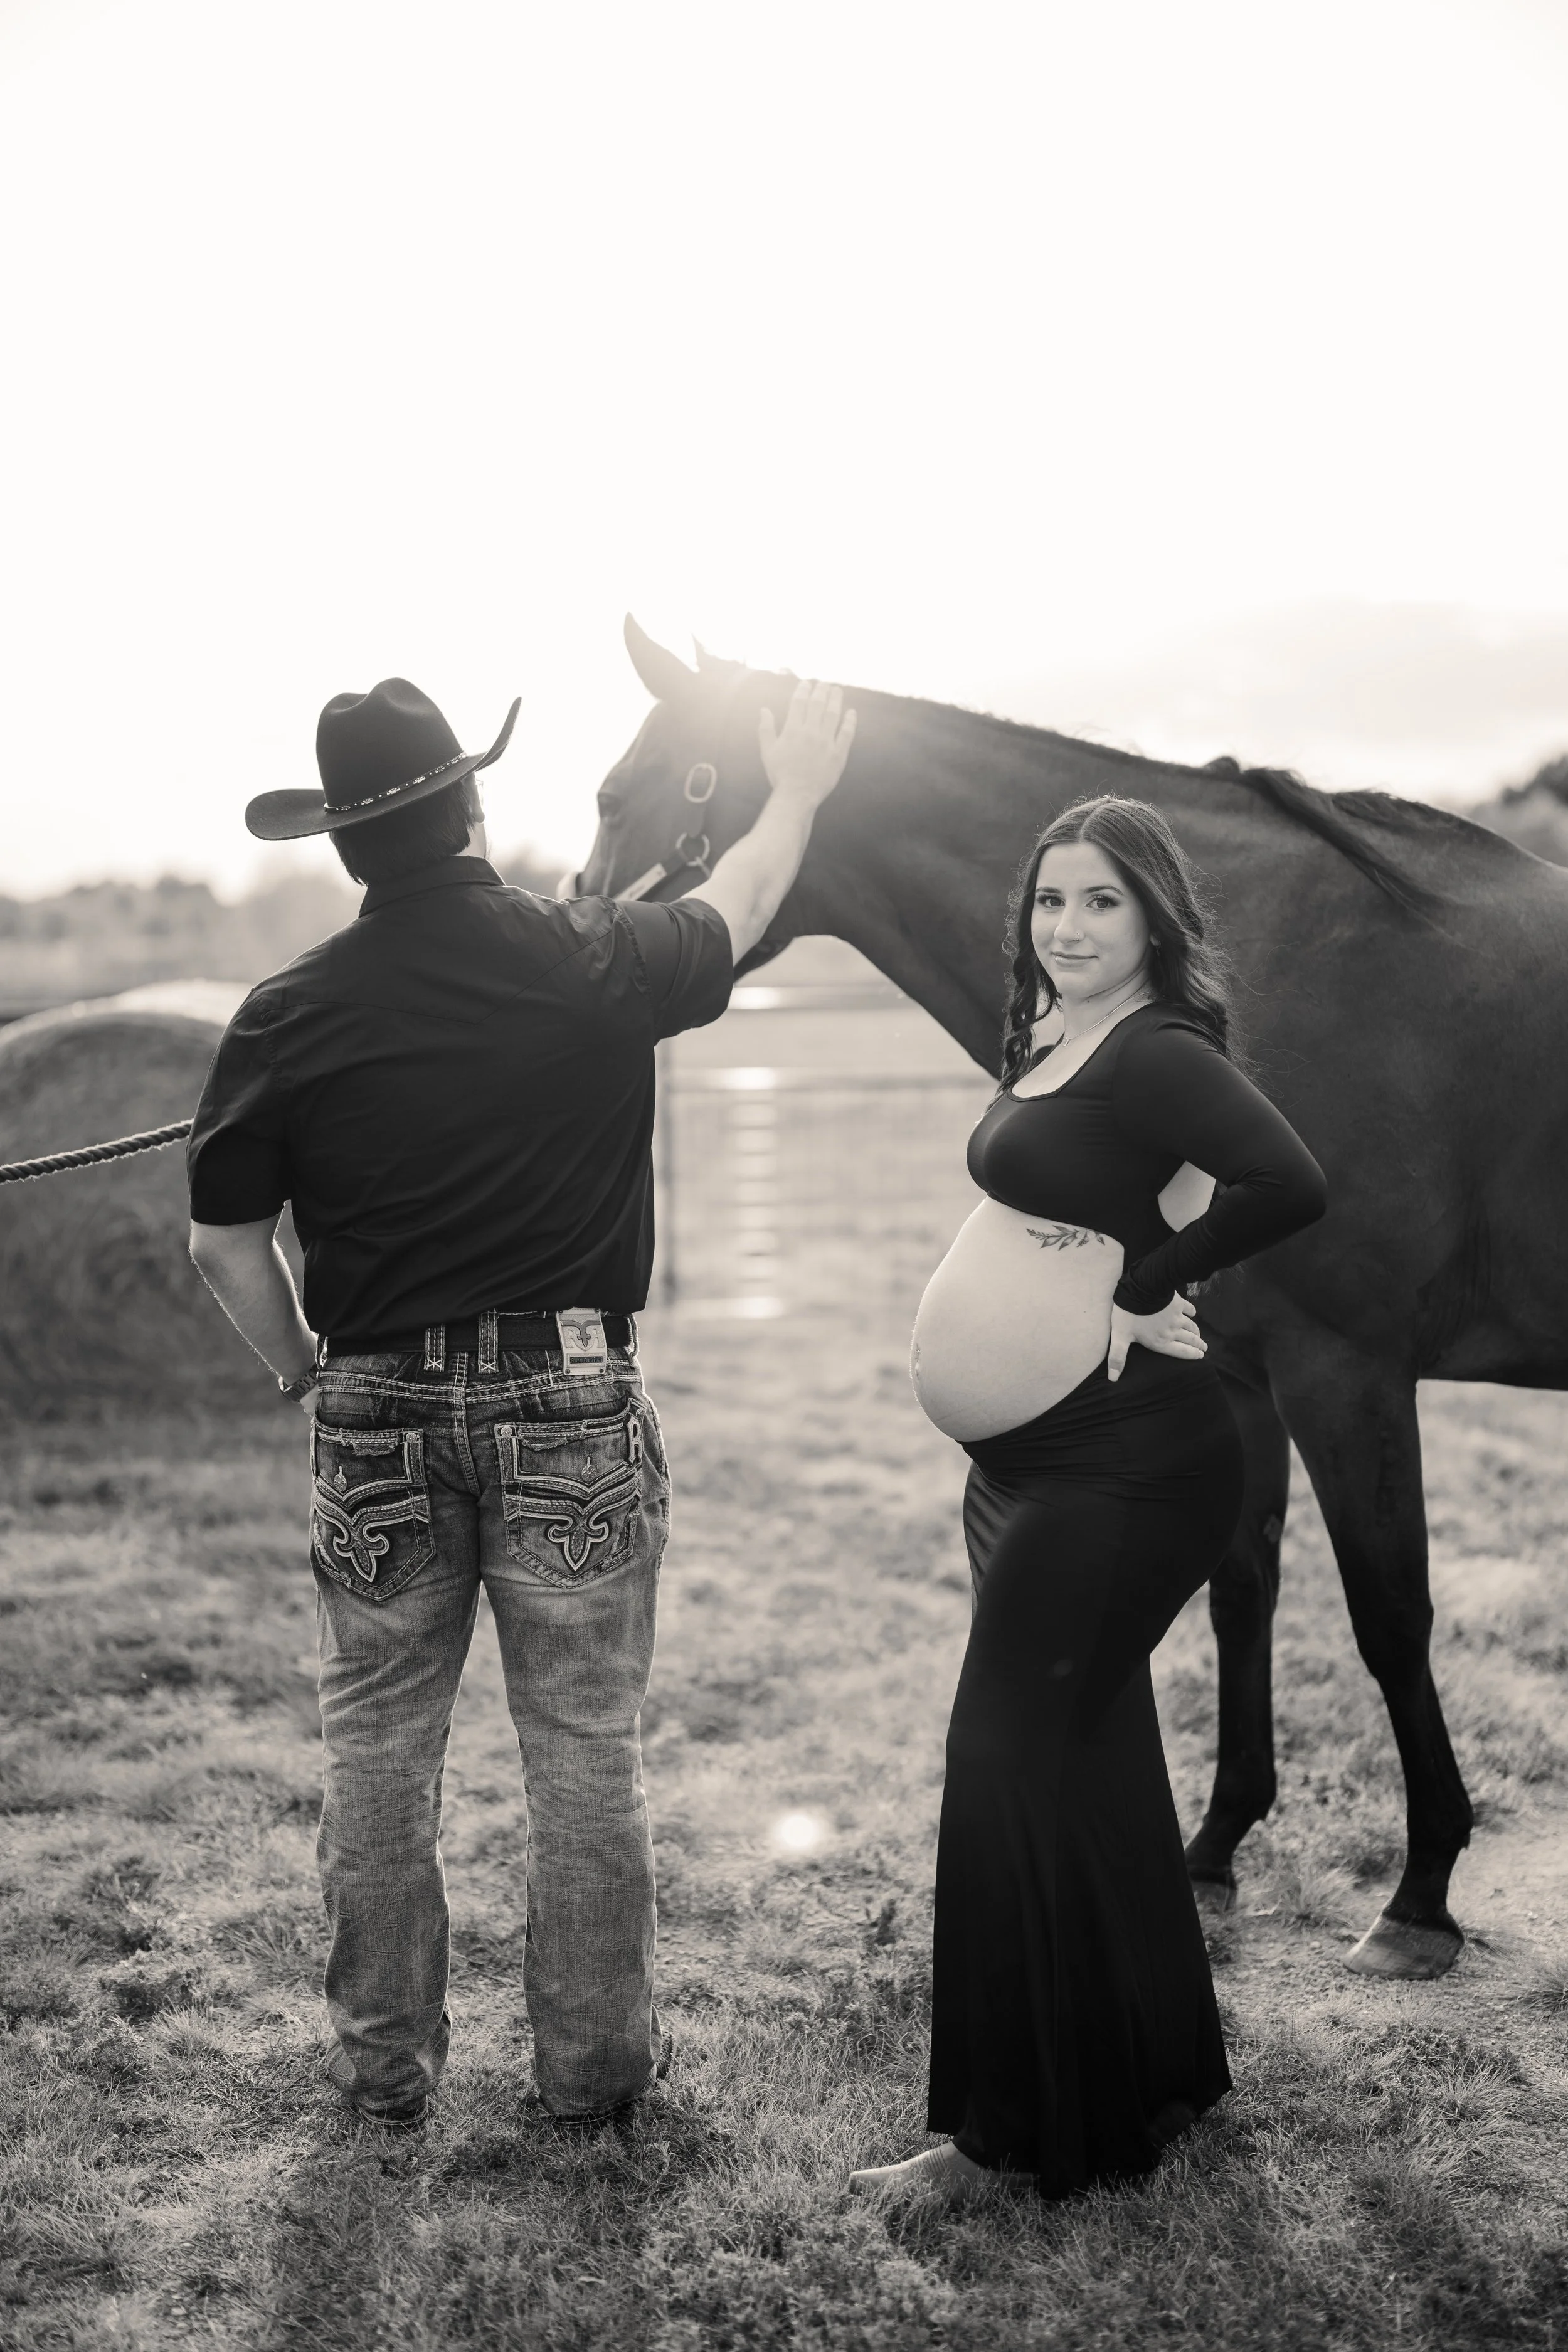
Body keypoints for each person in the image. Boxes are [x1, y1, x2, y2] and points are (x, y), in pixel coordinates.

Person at [187, 671, 855, 2127]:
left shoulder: (284, 1011)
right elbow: (736, 908)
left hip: (369, 1407)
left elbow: (222, 1241)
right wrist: (793, 789)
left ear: (345, 850)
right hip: (567, 1397)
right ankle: (597, 2076)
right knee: (582, 1756)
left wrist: (308, 1371)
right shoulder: (591, 955)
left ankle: (381, 2071)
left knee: (374, 1748)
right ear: (473, 806)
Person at [851, 794, 1327, 2202]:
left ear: (1155, 917)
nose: (1065, 927)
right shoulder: (1063, 1036)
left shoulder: (1160, 1050)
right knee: (1091, 1761)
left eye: (1100, 901)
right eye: (1048, 900)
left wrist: (1148, 1276)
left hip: (1126, 1467)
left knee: (1002, 1767)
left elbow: (1284, 1180)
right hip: (1034, 1468)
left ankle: (1002, 2141)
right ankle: (1158, 2072)